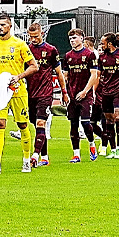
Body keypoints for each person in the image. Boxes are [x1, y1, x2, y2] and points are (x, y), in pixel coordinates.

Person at [0, 14, 39, 175]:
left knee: (22, 125)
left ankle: (27, 161)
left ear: (10, 26)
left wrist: (18, 77)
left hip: (18, 90)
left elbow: (34, 66)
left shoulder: (20, 44)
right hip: (0, 92)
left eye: (3, 25)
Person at [23, 22, 67, 167]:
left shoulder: (51, 50)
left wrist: (64, 92)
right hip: (30, 94)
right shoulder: (26, 50)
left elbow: (59, 73)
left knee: (41, 122)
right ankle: (45, 157)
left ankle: (35, 156)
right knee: (36, 125)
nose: (33, 39)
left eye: (35, 36)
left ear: (42, 33)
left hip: (45, 93)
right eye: (30, 37)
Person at [91, 32, 119, 159]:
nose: (101, 45)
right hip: (106, 93)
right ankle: (113, 149)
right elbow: (97, 76)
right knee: (109, 121)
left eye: (102, 43)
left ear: (109, 43)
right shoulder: (101, 57)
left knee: (118, 118)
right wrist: (93, 91)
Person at [63, 28, 98, 163]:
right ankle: (76, 154)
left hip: (85, 95)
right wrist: (65, 93)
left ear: (82, 38)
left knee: (85, 123)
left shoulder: (90, 55)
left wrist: (85, 91)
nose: (72, 41)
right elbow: (65, 76)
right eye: (71, 39)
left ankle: (91, 144)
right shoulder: (67, 56)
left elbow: (94, 75)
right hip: (72, 95)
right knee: (73, 124)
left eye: (75, 38)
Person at [84, 36, 107, 154]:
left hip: (104, 93)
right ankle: (104, 137)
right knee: (91, 122)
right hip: (96, 93)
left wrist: (92, 91)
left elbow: (96, 77)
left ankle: (104, 146)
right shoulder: (90, 57)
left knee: (105, 120)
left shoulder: (96, 57)